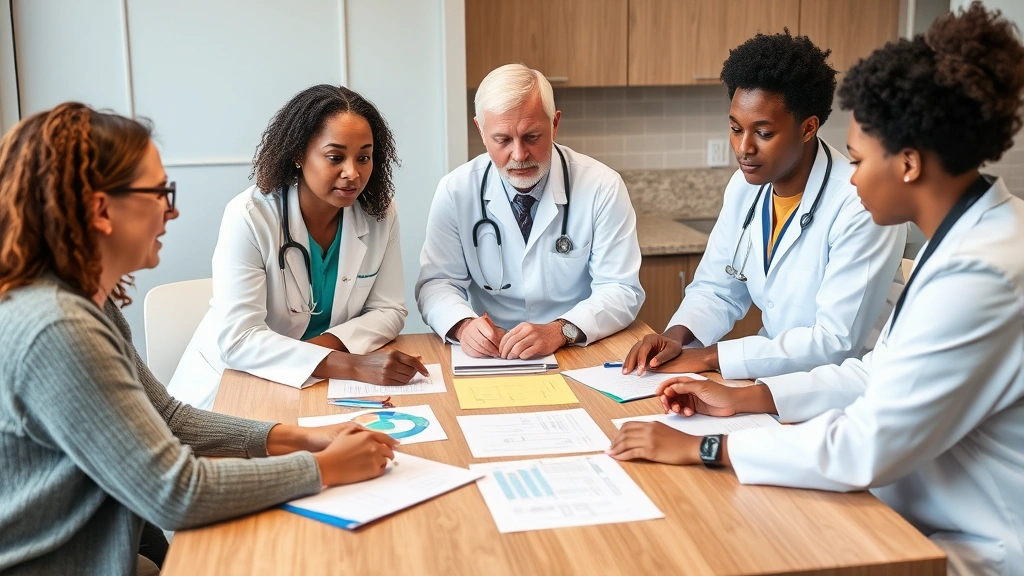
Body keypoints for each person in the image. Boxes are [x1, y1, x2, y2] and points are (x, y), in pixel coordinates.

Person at [608, 4, 1024, 573]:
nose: (851, 177)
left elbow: (866, 443)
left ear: (906, 164)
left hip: (970, 540)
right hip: (907, 505)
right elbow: (876, 371)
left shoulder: (985, 271)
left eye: (857, 158)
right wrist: (744, 395)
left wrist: (706, 447)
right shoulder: (967, 240)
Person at [0, 103, 399, 575]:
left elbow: (165, 416)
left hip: (116, 545)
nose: (173, 210)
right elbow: (176, 492)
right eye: (158, 193)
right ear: (101, 210)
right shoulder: (59, 330)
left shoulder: (87, 304)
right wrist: (325, 468)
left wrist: (301, 438)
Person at [623, 31, 907, 381]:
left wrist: (709, 357)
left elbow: (835, 341)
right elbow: (717, 288)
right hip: (771, 379)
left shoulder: (860, 204)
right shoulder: (745, 188)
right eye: (735, 128)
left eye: (763, 133)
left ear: (807, 128)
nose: (743, 148)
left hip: (846, 390)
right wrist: (674, 338)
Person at [170, 85, 426, 409]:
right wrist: (352, 365)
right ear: (299, 155)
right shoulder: (250, 216)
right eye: (335, 157)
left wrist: (316, 354)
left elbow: (388, 311)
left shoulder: (379, 213)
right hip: (233, 387)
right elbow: (239, 341)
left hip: (318, 383)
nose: (353, 173)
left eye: (364, 157)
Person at [416, 64, 645, 359]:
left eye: (532, 137)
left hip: (578, 345)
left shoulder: (602, 186)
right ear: (481, 131)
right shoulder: (456, 190)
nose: (519, 155)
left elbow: (621, 289)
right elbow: (437, 282)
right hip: (492, 351)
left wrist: (560, 330)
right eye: (502, 140)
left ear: (555, 124)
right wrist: (463, 326)